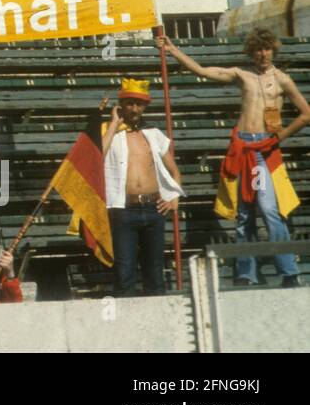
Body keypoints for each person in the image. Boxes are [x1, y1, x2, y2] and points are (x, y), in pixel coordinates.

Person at [160, 30, 304, 286]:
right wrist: (173, 51)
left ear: (274, 50)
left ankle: (289, 272)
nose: (263, 54)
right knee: (244, 214)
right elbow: (203, 71)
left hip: (263, 152)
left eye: (267, 48)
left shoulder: (283, 80)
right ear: (252, 52)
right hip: (241, 148)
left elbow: (306, 113)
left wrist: (278, 138)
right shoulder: (242, 75)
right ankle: (245, 274)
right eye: (258, 49)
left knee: (270, 209)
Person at [94, 79, 184, 296]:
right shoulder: (107, 131)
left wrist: (173, 198)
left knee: (155, 272)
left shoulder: (153, 133)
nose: (135, 109)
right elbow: (97, 157)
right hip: (123, 210)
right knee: (124, 272)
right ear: (121, 104)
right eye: (130, 103)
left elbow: (175, 171)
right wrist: (114, 124)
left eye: (139, 104)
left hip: (154, 209)